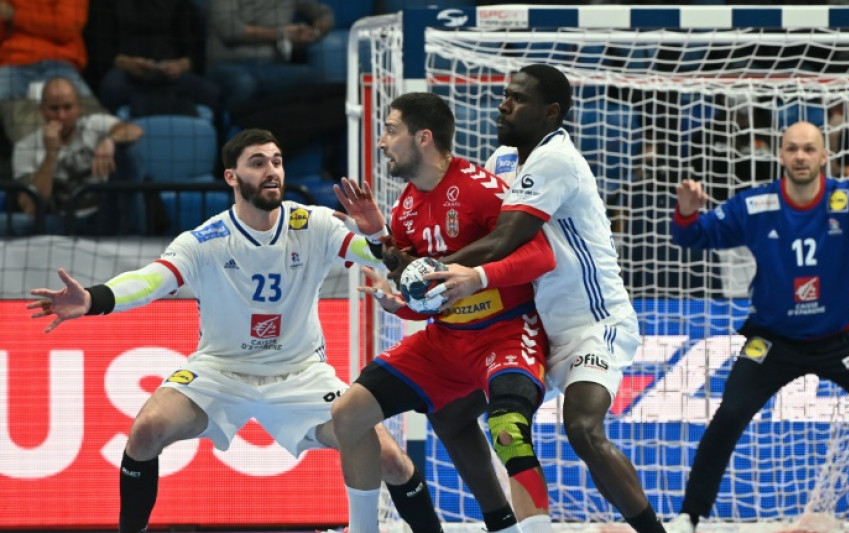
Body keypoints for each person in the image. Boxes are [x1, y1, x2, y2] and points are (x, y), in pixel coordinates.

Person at [26, 128, 443, 533]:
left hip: (301, 374)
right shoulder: (205, 240)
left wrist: (377, 234)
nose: (272, 171)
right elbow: (151, 280)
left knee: (390, 459)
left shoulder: (314, 224)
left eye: (277, 162)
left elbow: (383, 258)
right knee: (146, 430)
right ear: (231, 176)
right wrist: (93, 299)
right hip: (220, 371)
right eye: (257, 163)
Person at [417, 65, 666, 533]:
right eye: (504, 95)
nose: (503, 105)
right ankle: (503, 524)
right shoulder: (501, 161)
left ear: (550, 112)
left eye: (518, 98)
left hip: (593, 324)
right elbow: (475, 230)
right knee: (450, 414)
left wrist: (427, 271)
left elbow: (504, 239)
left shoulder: (556, 159)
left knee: (583, 429)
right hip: (535, 328)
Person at [664, 121, 849, 533]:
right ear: (780, 155)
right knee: (729, 416)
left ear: (824, 156)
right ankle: (689, 516)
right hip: (774, 341)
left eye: (809, 149)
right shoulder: (755, 205)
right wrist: (688, 212)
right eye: (793, 149)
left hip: (844, 338)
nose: (800, 156)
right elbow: (692, 236)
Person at [329, 91, 557, 533]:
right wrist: (393, 280)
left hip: (506, 332)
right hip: (446, 341)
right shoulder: (405, 209)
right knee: (348, 413)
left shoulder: (480, 188)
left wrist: (478, 277)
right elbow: (425, 293)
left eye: (391, 130)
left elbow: (541, 255)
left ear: (424, 137)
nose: (382, 142)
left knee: (507, 427)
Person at [12, 77, 143, 235]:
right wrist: (50, 155)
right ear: (42, 110)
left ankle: (132, 233)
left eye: (68, 107)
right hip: (57, 220)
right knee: (9, 224)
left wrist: (110, 141)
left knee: (128, 152)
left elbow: (134, 130)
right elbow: (31, 207)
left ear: (79, 107)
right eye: (54, 108)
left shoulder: (94, 124)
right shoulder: (25, 146)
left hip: (103, 216)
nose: (61, 116)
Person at [97, 0, 220, 118]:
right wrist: (125, 62)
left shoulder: (181, 4)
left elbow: (195, 52)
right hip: (127, 72)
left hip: (171, 74)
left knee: (210, 92)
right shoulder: (109, 3)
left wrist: (181, 65)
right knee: (112, 88)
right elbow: (100, 48)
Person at [205, 0, 334, 109]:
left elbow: (324, 14)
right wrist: (280, 34)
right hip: (229, 65)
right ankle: (234, 128)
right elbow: (230, 30)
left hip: (273, 67)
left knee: (324, 79)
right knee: (244, 83)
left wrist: (314, 33)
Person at [0, 0, 94, 102]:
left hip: (60, 63)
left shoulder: (14, 15)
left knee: (88, 109)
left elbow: (65, 28)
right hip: (13, 63)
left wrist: (15, 16)